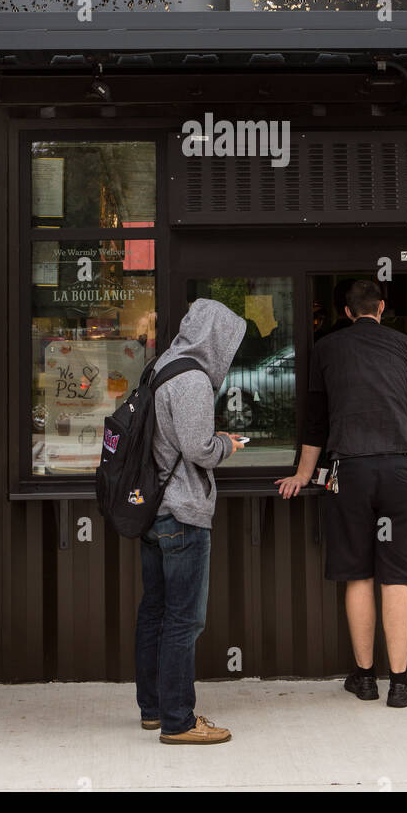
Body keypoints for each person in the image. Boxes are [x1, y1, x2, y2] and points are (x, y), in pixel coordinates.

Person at [275, 278, 407, 708]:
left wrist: (304, 474)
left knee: (358, 573)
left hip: (348, 470)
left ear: (346, 312)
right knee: (396, 576)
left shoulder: (327, 349)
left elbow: (315, 422)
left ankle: (364, 679)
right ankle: (401, 683)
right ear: (382, 308)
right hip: (398, 467)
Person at [135, 297, 247, 744]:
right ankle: (179, 721)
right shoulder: (193, 380)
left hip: (151, 510)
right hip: (182, 513)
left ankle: (153, 710)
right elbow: (199, 449)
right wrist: (228, 445)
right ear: (216, 337)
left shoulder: (160, 367)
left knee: (155, 613)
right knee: (184, 620)